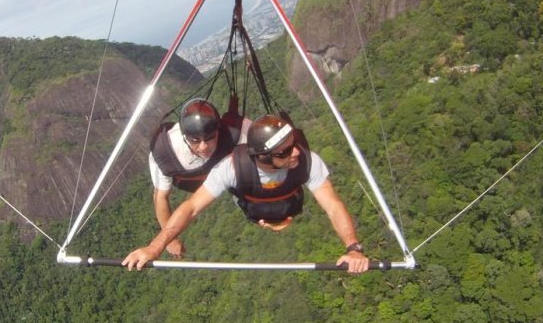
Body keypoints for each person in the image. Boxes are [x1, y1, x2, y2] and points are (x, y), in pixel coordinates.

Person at [125, 114, 370, 273]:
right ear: (262, 156)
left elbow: (333, 206)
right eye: (284, 152)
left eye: (293, 144)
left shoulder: (307, 161)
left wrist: (353, 248)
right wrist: (154, 248)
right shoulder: (231, 168)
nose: (295, 152)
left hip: (290, 201)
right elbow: (191, 208)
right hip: (252, 202)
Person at [148, 98, 244, 258]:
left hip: (224, 170)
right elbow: (160, 197)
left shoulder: (234, 132)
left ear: (218, 130)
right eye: (195, 141)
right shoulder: (165, 152)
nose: (203, 146)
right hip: (191, 181)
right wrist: (170, 240)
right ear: (185, 136)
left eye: (210, 138)